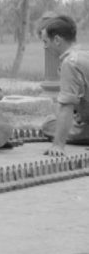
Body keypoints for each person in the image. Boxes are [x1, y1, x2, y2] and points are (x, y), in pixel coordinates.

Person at [40, 15, 89, 155]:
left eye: (45, 41)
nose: (45, 47)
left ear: (56, 40)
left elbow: (67, 106)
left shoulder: (70, 63)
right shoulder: (83, 55)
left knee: (49, 125)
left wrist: (58, 145)